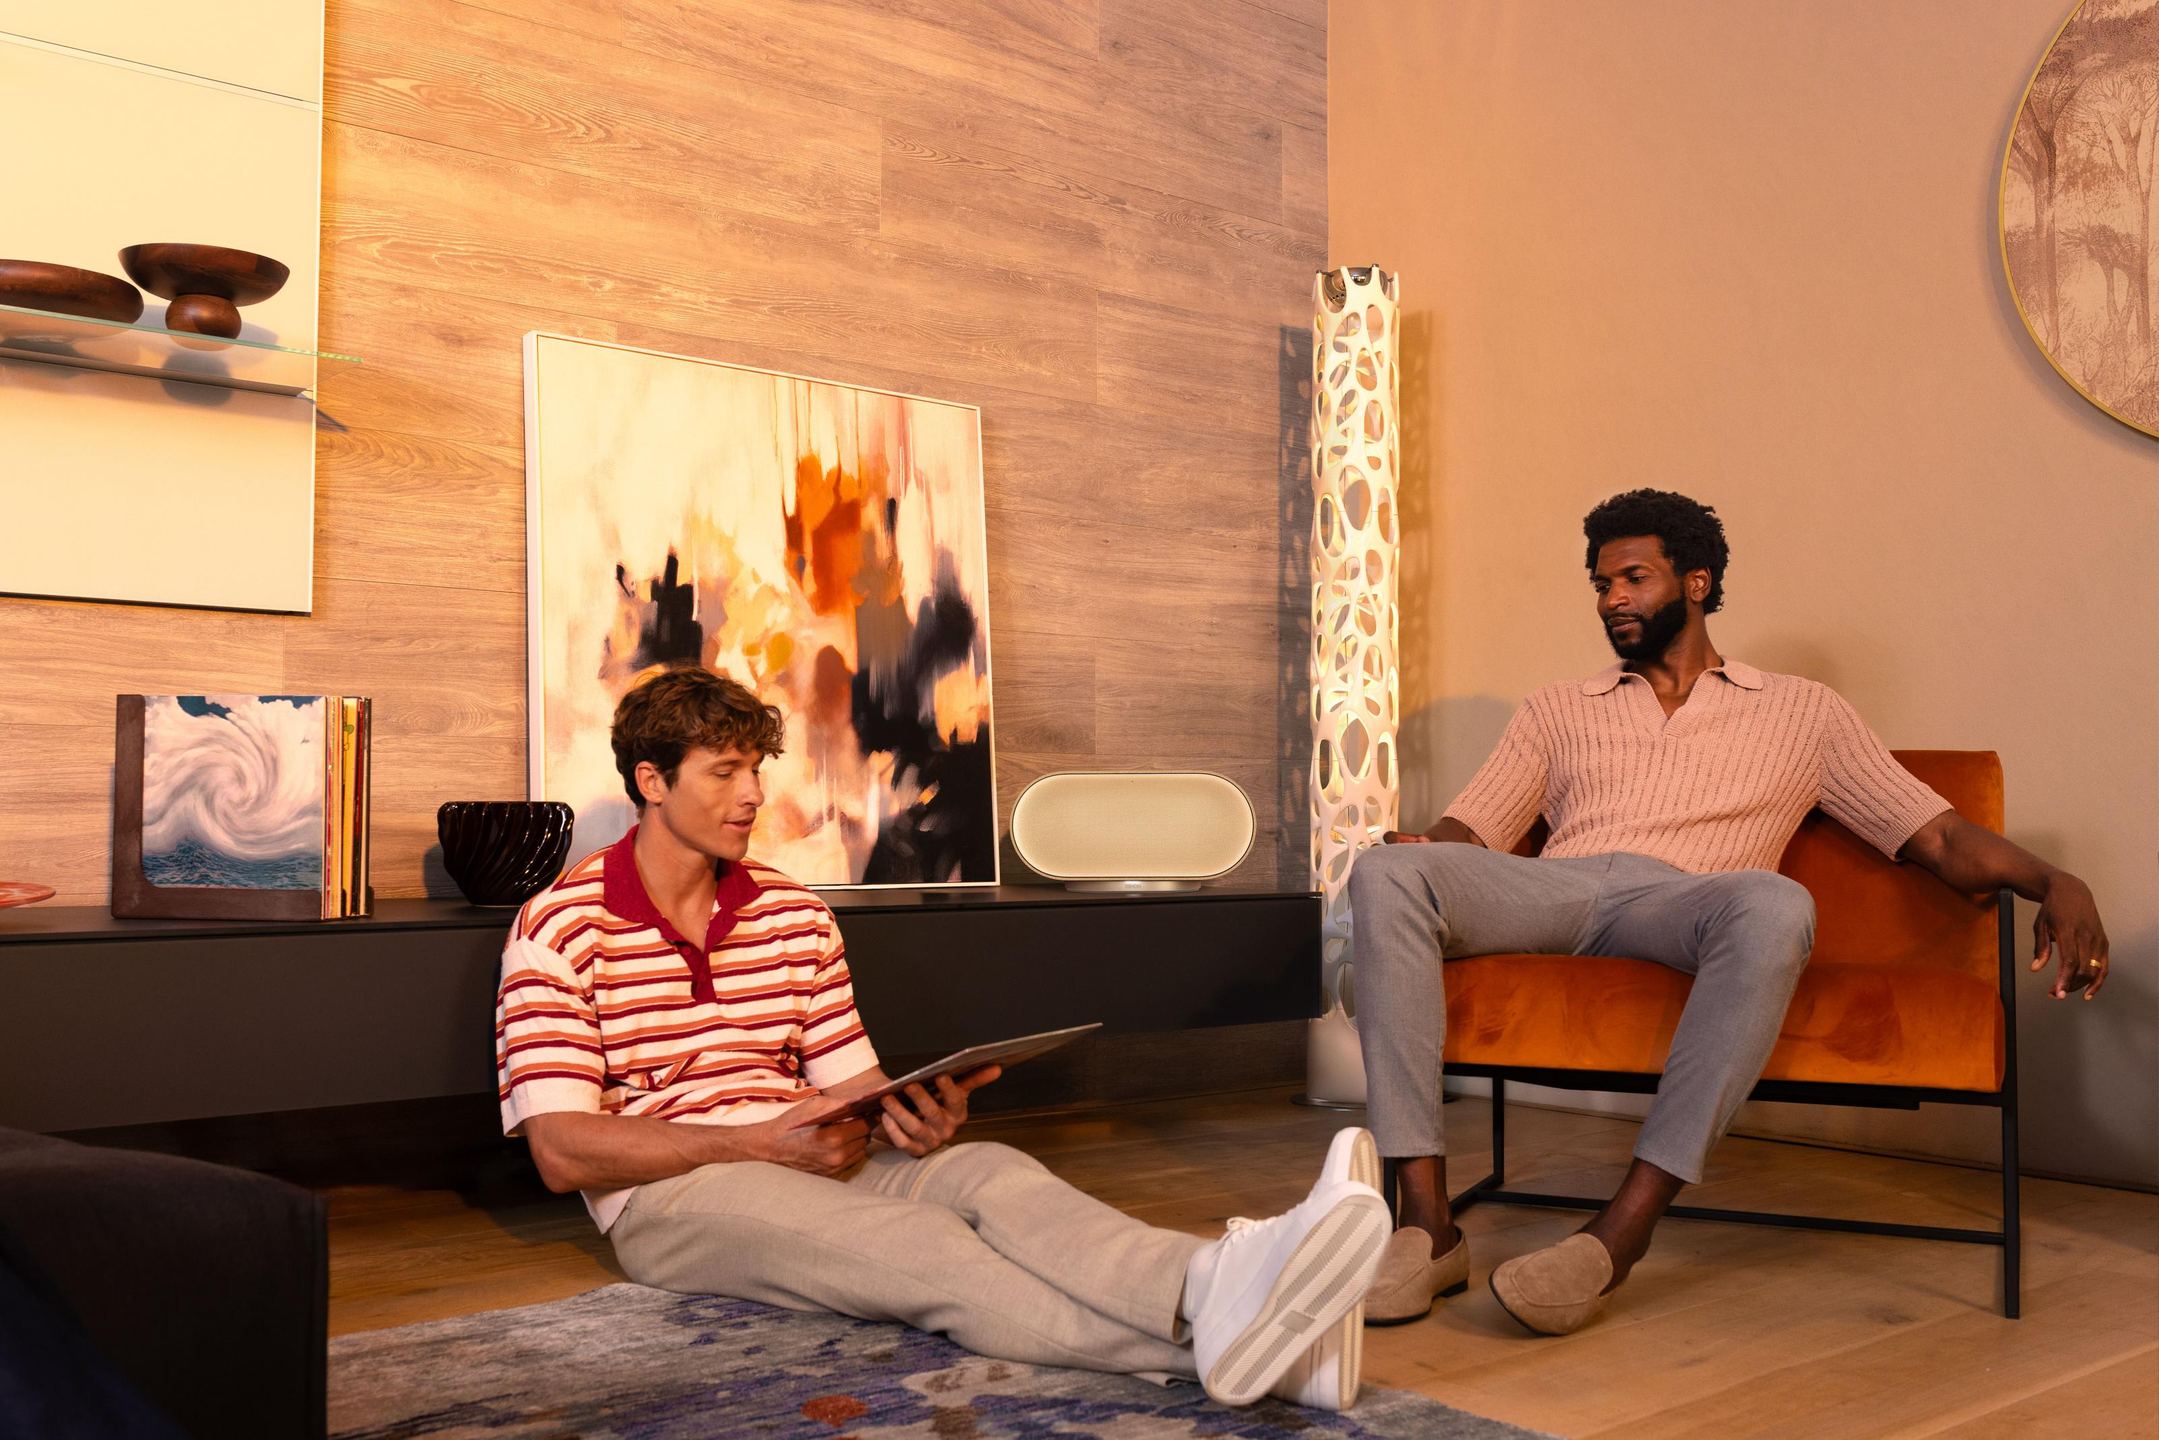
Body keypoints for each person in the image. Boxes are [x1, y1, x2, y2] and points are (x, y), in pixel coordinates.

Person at [494, 665, 1390, 1410]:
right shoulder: (561, 926)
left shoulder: (794, 914)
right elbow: (562, 1152)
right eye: (723, 771)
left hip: (809, 1146)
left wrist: (907, 1117)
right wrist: (757, 1143)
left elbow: (853, 1082)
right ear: (651, 781)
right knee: (923, 1250)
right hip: (674, 1193)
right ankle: (1242, 1353)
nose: (753, 794)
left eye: (756, 769)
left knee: (990, 1173)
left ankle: (1213, 1277)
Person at [1350, 489, 2112, 1336]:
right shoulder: (1557, 707)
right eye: (1600, 584)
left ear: (1697, 582)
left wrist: (2055, 880)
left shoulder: (1803, 711)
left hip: (1687, 901)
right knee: (1387, 873)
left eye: (1632, 578)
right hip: (1561, 888)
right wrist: (1423, 849)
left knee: (1774, 900)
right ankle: (1425, 1226)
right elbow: (1470, 832)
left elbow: (1936, 837)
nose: (1610, 599)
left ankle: (1618, 1234)